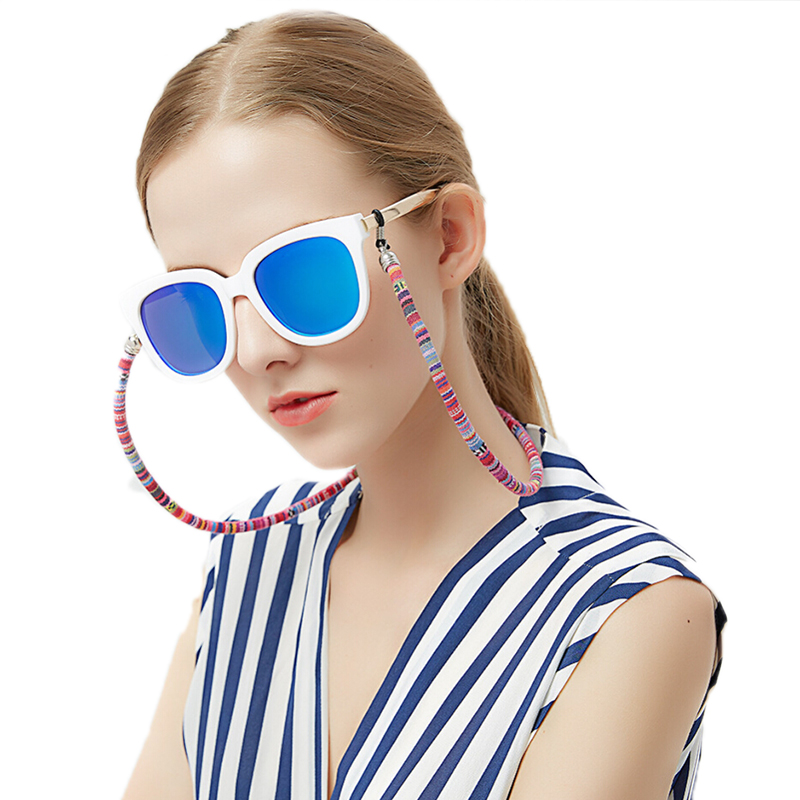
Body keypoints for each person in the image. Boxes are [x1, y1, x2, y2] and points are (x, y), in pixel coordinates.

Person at [119, 11, 725, 800]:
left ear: (449, 236)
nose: (259, 350)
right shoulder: (247, 566)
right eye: (200, 306)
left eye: (302, 273)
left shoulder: (625, 609)